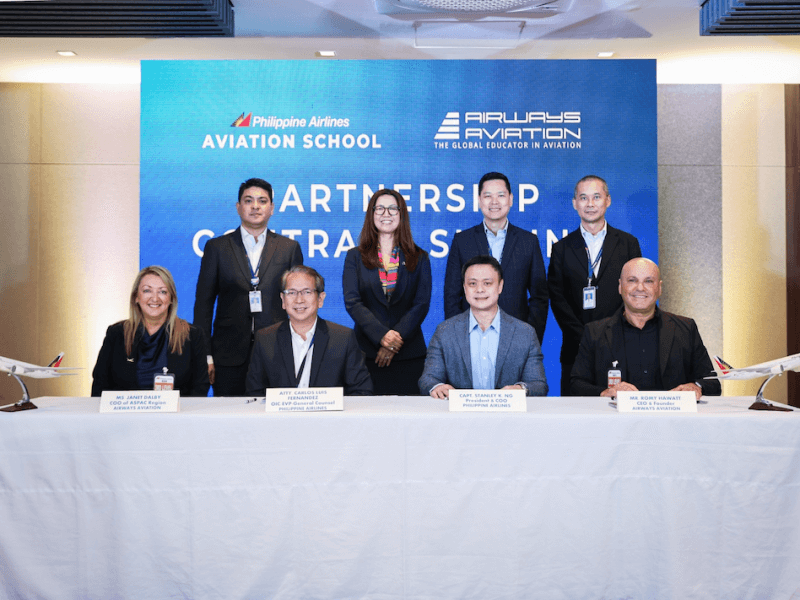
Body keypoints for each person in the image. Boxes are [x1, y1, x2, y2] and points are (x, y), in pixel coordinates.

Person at [194, 177, 303, 396]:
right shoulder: (217, 247)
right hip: (227, 356)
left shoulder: (289, 248)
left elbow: (299, 303)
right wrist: (205, 356)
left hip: (277, 352)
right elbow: (203, 305)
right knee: (229, 422)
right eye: (248, 200)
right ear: (238, 207)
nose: (255, 206)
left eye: (262, 201)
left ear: (272, 208)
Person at [570, 258, 721, 399]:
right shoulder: (595, 332)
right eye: (632, 280)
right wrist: (605, 392)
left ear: (659, 288)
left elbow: (712, 382)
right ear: (620, 287)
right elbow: (576, 385)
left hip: (673, 423)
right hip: (616, 423)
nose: (640, 288)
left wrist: (696, 387)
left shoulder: (686, 329)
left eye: (648, 281)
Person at [548, 175, 642, 395]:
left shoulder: (628, 244)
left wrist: (613, 331)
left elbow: (635, 293)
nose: (590, 204)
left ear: (607, 200)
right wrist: (585, 336)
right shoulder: (562, 249)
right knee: (576, 417)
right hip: (576, 348)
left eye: (596, 197)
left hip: (623, 343)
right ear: (575, 203)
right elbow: (557, 298)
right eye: (583, 198)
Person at [419, 255, 548, 399]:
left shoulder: (525, 333)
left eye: (487, 283)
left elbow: (538, 384)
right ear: (464, 288)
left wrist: (521, 389)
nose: (479, 290)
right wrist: (437, 387)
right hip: (459, 418)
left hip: (510, 418)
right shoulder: (445, 331)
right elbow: (428, 379)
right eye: (472, 283)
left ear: (500, 286)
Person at [342, 189, 432, 395]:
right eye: (380, 208)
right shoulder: (354, 257)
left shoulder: (420, 257)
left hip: (409, 356)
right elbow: (353, 302)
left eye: (393, 208)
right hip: (367, 355)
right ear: (371, 214)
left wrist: (393, 342)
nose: (386, 214)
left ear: (402, 215)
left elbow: (421, 304)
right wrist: (381, 336)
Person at [444, 171, 548, 344]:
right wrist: (459, 340)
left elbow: (539, 297)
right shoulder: (462, 241)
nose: (494, 202)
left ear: (511, 199)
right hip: (472, 339)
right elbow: (452, 297)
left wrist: (529, 340)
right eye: (487, 196)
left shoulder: (528, 241)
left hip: (516, 339)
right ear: (479, 200)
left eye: (500, 195)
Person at [245, 266, 373, 396]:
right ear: (283, 300)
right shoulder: (265, 339)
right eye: (291, 292)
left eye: (307, 292)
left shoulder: (343, 338)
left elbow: (361, 391)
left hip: (327, 416)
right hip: (281, 416)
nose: (299, 300)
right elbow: (254, 394)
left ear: (320, 299)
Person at [92, 266, 209, 396]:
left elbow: (200, 388)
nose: (155, 298)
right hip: (126, 415)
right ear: (136, 297)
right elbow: (99, 386)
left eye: (162, 292)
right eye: (147, 290)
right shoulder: (116, 333)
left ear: (171, 299)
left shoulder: (192, 335)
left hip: (176, 415)